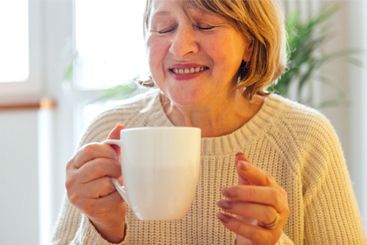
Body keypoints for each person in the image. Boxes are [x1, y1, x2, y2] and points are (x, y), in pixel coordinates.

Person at [52, 0, 366, 244]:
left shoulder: (305, 137)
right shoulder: (110, 130)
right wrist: (104, 228)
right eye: (163, 28)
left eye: (205, 25)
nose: (180, 47)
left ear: (250, 42)